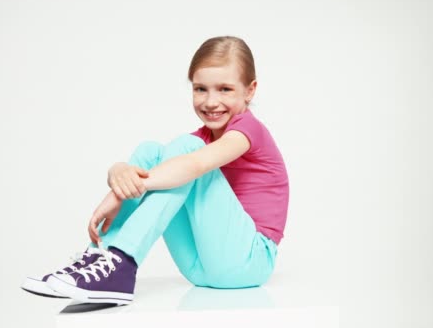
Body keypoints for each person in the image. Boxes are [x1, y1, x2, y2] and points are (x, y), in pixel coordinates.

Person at [21, 36, 290, 305]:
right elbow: (167, 166)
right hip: (200, 267)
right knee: (152, 151)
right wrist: (117, 173)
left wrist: (124, 192)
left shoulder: (248, 130)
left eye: (225, 89)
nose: (210, 101)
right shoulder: (201, 138)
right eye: (200, 89)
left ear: (250, 90)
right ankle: (102, 258)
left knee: (184, 151)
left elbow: (195, 165)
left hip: (249, 261)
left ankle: (123, 262)